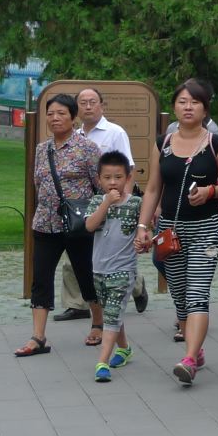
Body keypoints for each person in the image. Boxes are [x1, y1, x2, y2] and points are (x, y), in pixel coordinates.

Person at [134, 79, 218, 385]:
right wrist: (143, 226)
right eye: (182, 101)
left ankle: (190, 358)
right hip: (170, 229)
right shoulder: (162, 144)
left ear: (205, 108)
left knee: (197, 293)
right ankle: (195, 343)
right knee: (179, 293)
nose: (188, 107)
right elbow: (154, 188)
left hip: (206, 229)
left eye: (194, 102)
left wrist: (210, 192)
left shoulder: (216, 144)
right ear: (175, 107)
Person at [15, 94, 103, 356]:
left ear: (73, 117)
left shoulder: (86, 148)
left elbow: (99, 186)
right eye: (50, 113)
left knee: (86, 275)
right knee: (40, 278)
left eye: (61, 113)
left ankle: (98, 323)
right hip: (45, 224)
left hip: (78, 225)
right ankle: (38, 337)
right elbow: (37, 183)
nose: (55, 118)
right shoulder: (43, 149)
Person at [58, 88, 146, 322]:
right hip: (84, 204)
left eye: (92, 102)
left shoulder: (114, 132)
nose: (88, 106)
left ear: (101, 105)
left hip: (113, 203)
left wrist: (125, 202)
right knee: (75, 254)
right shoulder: (75, 136)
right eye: (83, 103)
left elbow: (128, 168)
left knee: (114, 252)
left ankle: (136, 286)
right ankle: (76, 303)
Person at [84, 151, 142, 382]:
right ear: (99, 179)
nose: (112, 182)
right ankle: (124, 348)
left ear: (128, 177)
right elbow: (89, 226)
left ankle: (102, 362)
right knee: (112, 312)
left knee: (111, 315)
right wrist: (106, 203)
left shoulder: (136, 204)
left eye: (118, 177)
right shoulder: (98, 201)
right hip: (98, 269)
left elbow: (145, 230)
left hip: (123, 270)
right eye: (107, 177)